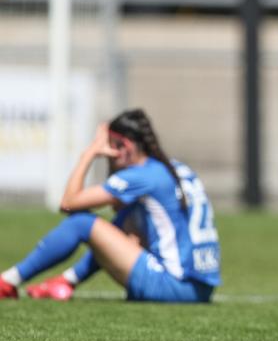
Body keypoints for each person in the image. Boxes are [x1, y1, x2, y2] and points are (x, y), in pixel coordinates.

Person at [0, 109, 221, 303]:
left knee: (81, 223)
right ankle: (66, 282)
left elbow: (68, 203)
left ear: (124, 146)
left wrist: (89, 153)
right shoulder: (174, 168)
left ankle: (7, 281)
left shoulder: (142, 176)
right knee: (125, 218)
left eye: (110, 147)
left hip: (172, 285)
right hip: (200, 289)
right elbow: (118, 223)